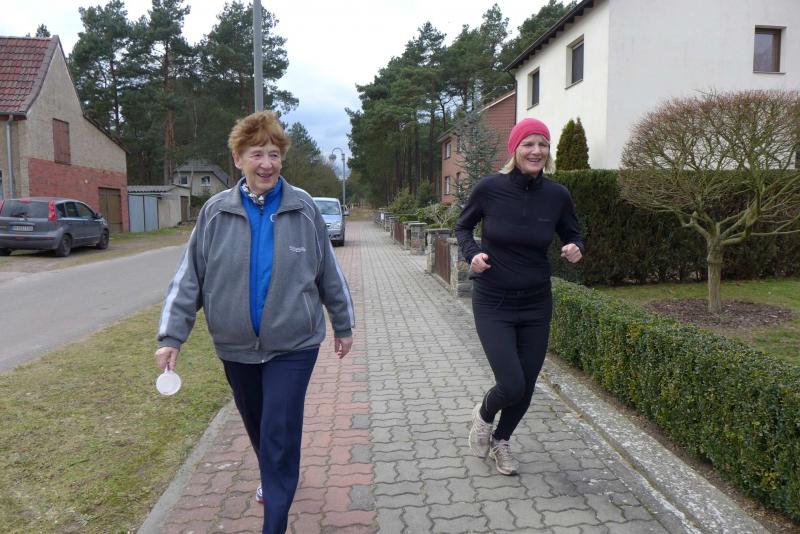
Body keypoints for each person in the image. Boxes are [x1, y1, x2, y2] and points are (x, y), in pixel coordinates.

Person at [154, 110, 355, 534]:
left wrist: (343, 324)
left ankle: (274, 517)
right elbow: (189, 277)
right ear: (238, 159)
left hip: (294, 344)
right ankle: (275, 471)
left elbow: (328, 273)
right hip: (235, 346)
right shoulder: (215, 212)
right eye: (256, 154)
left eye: (274, 154)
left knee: (279, 427)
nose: (266, 164)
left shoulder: (303, 208)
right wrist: (172, 336)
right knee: (259, 423)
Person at [455, 117, 584, 476]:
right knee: (511, 383)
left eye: (542, 144)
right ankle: (484, 415)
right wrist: (472, 254)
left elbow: (574, 233)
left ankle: (502, 441)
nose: (536, 151)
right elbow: (463, 226)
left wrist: (576, 247)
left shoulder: (557, 195)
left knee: (526, 387)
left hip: (536, 303)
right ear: (515, 149)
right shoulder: (489, 188)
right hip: (493, 301)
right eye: (528, 143)